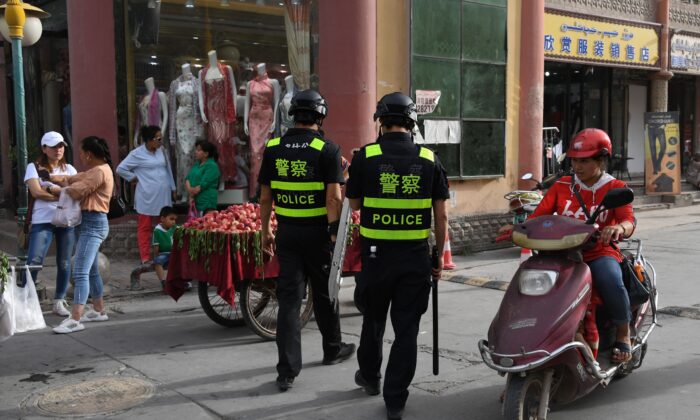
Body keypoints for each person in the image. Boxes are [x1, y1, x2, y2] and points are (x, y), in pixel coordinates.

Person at [346, 92, 450, 420]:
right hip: (415, 258)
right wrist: (439, 258)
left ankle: (370, 376)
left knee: (373, 318)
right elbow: (442, 216)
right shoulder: (430, 159)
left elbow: (355, 205)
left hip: (375, 258)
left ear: (381, 121)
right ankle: (395, 399)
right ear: (411, 123)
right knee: (406, 329)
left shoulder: (365, 156)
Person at [259, 89, 355, 392]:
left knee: (289, 300)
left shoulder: (273, 147)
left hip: (287, 233)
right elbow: (333, 197)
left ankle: (286, 371)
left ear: (293, 115)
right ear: (320, 116)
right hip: (317, 233)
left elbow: (264, 197)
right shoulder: (326, 149)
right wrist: (334, 230)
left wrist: (266, 231)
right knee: (325, 291)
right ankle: (332, 348)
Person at [528, 128, 636, 363]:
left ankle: (623, 332)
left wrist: (619, 228)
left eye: (585, 161)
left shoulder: (615, 186)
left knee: (610, 279)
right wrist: (518, 228)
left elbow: (629, 220)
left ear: (601, 159)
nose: (578, 166)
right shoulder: (561, 186)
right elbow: (538, 216)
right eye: (575, 161)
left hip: (598, 252)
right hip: (561, 254)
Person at [50, 136, 114, 334]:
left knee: (80, 271)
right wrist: (58, 178)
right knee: (92, 270)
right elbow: (77, 178)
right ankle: (98, 310)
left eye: (81, 152)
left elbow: (77, 191)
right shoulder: (98, 170)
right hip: (91, 223)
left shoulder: (99, 171)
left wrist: (58, 188)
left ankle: (75, 318)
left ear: (88, 154)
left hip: (93, 225)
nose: (80, 156)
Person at [23, 131, 77, 316]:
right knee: (34, 261)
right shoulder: (34, 167)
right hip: (43, 220)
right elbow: (36, 193)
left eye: (61, 145)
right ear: (44, 148)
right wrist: (62, 193)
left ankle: (59, 300)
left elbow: (76, 192)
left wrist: (54, 192)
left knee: (64, 262)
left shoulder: (69, 169)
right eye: (54, 146)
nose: (58, 149)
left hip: (66, 220)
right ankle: (24, 299)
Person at [116, 125, 176, 267]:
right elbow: (120, 169)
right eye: (158, 138)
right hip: (146, 195)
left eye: (161, 138)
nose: (161, 141)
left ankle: (165, 255)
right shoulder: (137, 154)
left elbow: (168, 169)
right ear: (149, 140)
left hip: (163, 193)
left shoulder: (162, 151)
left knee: (165, 225)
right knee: (145, 227)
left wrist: (173, 187)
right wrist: (133, 178)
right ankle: (145, 257)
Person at [185, 140, 221, 214]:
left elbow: (203, 184)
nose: (196, 152)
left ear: (206, 154)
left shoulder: (212, 166)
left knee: (208, 223)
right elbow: (188, 178)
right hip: (196, 199)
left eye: (198, 150)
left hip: (207, 201)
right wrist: (190, 191)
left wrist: (191, 194)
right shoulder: (197, 164)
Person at [152, 206, 178, 289]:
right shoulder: (157, 231)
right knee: (158, 262)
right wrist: (156, 256)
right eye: (171, 219)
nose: (173, 222)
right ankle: (163, 282)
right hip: (164, 253)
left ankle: (183, 281)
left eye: (175, 219)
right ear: (162, 219)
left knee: (183, 261)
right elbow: (156, 246)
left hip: (175, 253)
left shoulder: (175, 228)